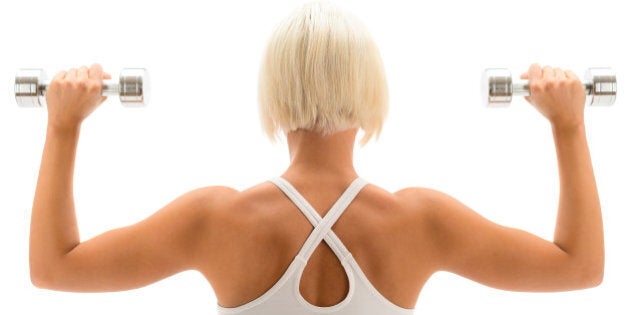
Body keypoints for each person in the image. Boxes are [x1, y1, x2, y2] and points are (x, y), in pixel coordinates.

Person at [29, 1, 604, 314]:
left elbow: (54, 269)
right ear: (372, 88)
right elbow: (579, 268)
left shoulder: (214, 220)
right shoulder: (422, 222)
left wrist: (63, 127)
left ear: (273, 93)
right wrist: (569, 126)